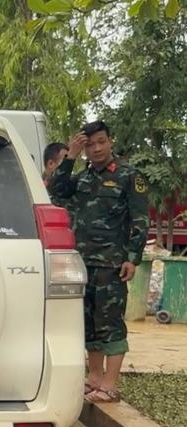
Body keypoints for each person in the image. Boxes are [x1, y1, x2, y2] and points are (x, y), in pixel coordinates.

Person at [48, 120, 148, 403]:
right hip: (83, 262)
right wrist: (71, 156)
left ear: (110, 141)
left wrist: (133, 257)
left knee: (110, 323)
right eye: (89, 144)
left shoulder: (129, 176)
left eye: (101, 142)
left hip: (112, 263)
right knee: (89, 321)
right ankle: (94, 376)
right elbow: (56, 192)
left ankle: (111, 385)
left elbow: (140, 219)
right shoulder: (83, 177)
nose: (96, 149)